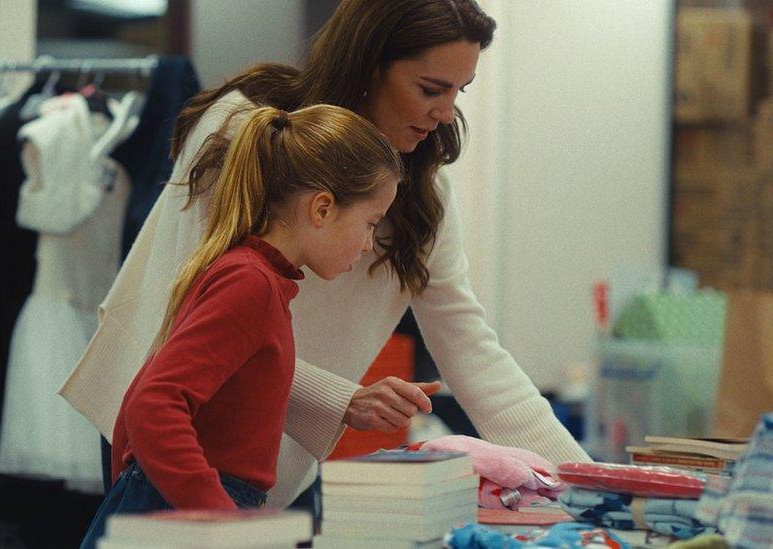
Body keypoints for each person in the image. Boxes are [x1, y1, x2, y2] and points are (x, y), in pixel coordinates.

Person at [60, 0, 592, 510]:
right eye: (432, 88)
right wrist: (340, 398)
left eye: (459, 91)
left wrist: (585, 484)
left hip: (265, 455)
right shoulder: (242, 129)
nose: (446, 113)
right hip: (171, 436)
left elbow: (471, 347)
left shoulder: (424, 190)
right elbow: (187, 321)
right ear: (368, 64)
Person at [78, 104, 401, 548]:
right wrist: (223, 521)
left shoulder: (254, 277)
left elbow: (142, 394)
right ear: (323, 208)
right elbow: (153, 404)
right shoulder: (250, 283)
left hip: (179, 504)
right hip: (188, 511)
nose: (367, 245)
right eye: (371, 223)